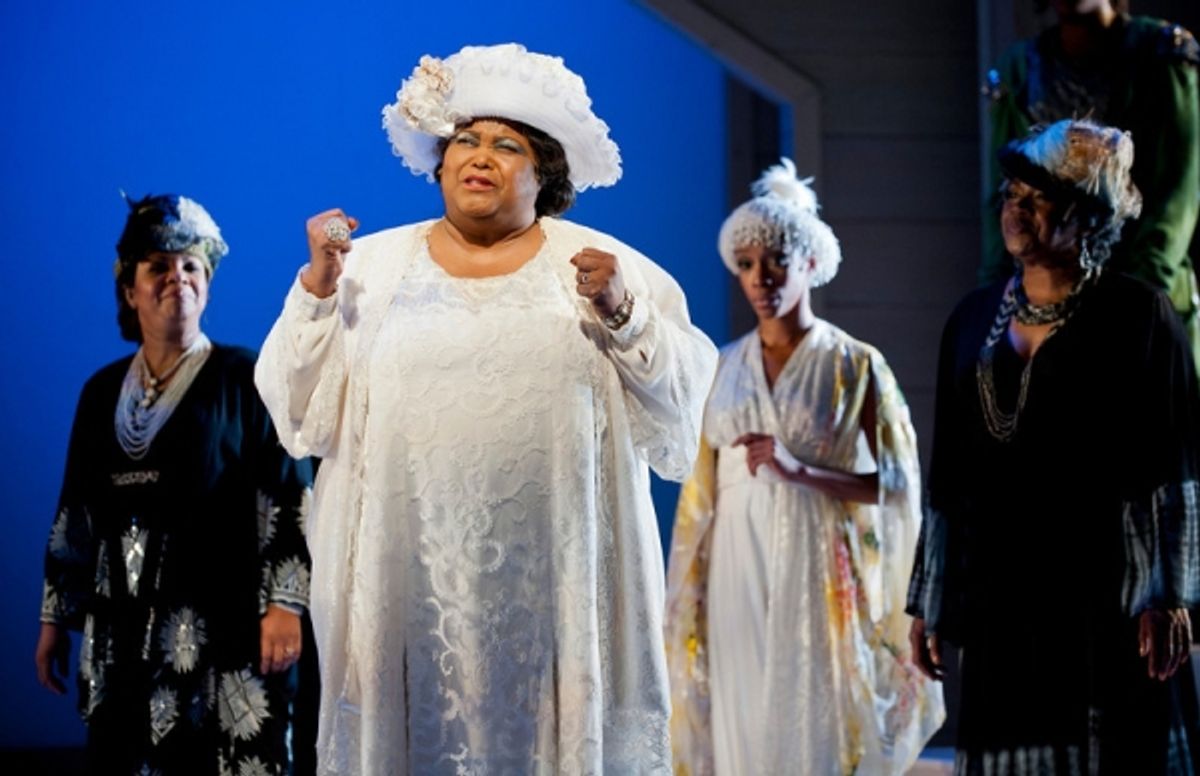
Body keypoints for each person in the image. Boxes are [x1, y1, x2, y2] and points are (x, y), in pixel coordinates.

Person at [254, 43, 718, 774]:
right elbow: (296, 407)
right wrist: (315, 288)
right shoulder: (366, 271)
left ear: (545, 176)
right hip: (408, 586)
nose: (481, 155)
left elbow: (680, 404)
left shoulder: (599, 265)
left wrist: (624, 313)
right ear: (438, 165)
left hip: (555, 594)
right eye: (464, 140)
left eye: (508, 145)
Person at [908, 119, 1200, 773]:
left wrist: (1171, 594)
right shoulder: (972, 319)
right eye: (1013, 192)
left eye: (1038, 196)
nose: (1017, 207)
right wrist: (930, 601)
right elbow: (948, 474)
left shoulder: (1140, 316)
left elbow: (1175, 465)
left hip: (1104, 593)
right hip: (1001, 596)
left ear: (1084, 214)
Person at [664, 160, 944, 775]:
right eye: (746, 265)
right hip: (735, 562)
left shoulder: (855, 364)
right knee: (740, 714)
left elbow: (898, 486)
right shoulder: (721, 366)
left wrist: (801, 472)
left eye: (776, 261)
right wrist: (690, 592)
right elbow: (701, 495)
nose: (761, 277)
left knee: (811, 712)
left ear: (809, 263)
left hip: (816, 559)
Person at [34, 194, 314, 775]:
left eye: (191, 266)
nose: (176, 278)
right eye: (157, 266)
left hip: (228, 626)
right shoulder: (99, 393)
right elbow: (77, 512)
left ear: (207, 285)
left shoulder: (247, 377)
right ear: (130, 289)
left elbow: (290, 490)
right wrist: (54, 620)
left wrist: (286, 606)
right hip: (122, 626)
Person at [981, 0, 1200, 369]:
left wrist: (1139, 293)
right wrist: (995, 296)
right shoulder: (1019, 67)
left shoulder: (1162, 54)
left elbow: (1176, 192)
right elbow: (1003, 192)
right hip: (1039, 293)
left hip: (1140, 280)